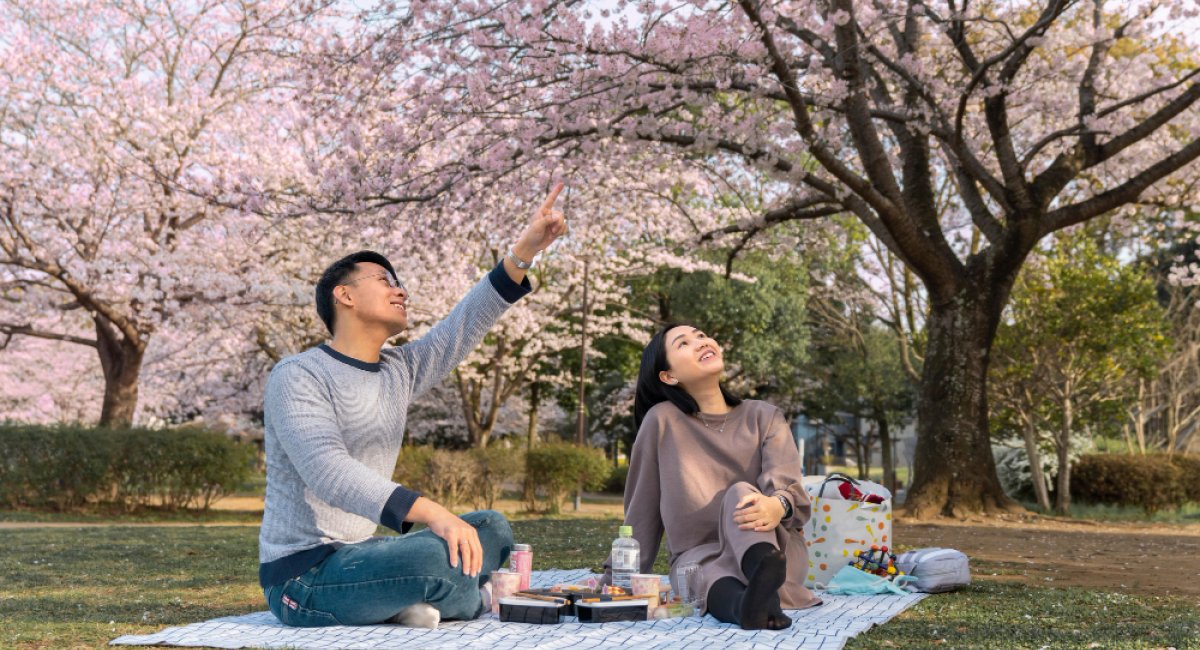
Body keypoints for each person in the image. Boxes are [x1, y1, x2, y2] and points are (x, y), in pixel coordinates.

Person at [258, 183, 567, 627]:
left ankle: (416, 600)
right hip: (303, 577)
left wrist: (526, 249)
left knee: (491, 527)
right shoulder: (297, 374)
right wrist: (434, 513)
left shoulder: (398, 369)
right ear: (343, 296)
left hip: (362, 555)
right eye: (385, 281)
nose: (400, 290)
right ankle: (471, 599)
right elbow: (328, 472)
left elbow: (463, 326)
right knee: (431, 555)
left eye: (399, 282)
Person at [616, 323, 821, 630]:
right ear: (668, 376)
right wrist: (617, 580)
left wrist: (778, 505)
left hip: (772, 545)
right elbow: (641, 510)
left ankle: (761, 571)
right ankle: (750, 606)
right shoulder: (661, 422)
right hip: (699, 557)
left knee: (741, 494)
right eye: (684, 343)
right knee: (700, 573)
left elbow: (788, 489)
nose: (700, 342)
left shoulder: (764, 417)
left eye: (701, 335)